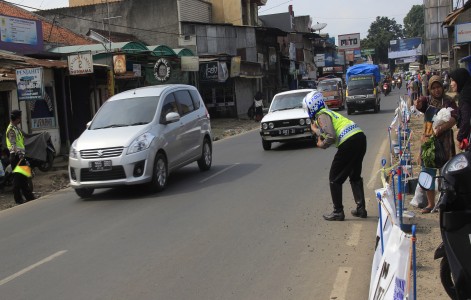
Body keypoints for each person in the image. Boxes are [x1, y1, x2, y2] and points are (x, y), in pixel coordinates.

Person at [303, 91, 367, 221]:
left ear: (312, 106)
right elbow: (327, 130)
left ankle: (338, 211)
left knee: (334, 178)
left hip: (348, 143)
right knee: (354, 175)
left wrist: (322, 144)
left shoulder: (321, 115)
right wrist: (316, 131)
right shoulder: (329, 113)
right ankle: (361, 209)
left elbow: (331, 136)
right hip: (359, 138)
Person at [414, 75, 457, 213]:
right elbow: (420, 106)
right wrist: (418, 103)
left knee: (446, 172)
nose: (437, 90)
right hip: (428, 139)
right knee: (427, 172)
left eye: (438, 87)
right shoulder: (427, 101)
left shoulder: (449, 101)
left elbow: (454, 118)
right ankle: (430, 204)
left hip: (445, 140)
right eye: (433, 88)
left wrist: (441, 128)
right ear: (429, 89)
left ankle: (444, 202)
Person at [5, 110, 35, 204]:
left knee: (24, 178)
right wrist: (19, 153)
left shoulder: (16, 128)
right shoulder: (11, 130)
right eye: (19, 118)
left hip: (21, 157)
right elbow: (13, 145)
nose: (20, 119)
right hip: (16, 157)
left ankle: (29, 197)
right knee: (18, 180)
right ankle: (18, 200)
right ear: (16, 118)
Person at [449, 68, 471, 150]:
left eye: (452, 81)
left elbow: (466, 121)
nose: (451, 84)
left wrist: (460, 137)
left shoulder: (464, 97)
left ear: (460, 80)